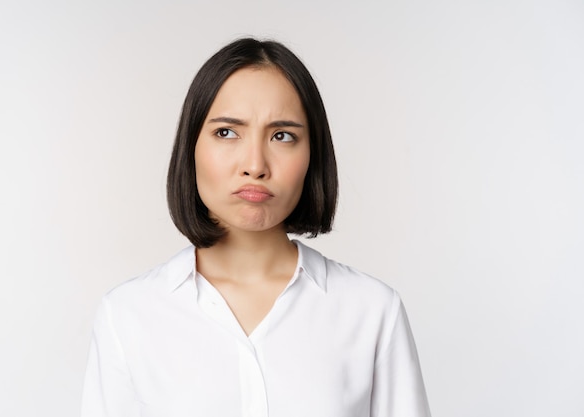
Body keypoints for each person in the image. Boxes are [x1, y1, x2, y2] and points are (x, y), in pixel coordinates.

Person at [81, 38, 431, 417]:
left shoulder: (372, 311)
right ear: (191, 147)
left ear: (312, 155)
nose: (255, 164)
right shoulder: (128, 314)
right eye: (227, 132)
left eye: (282, 136)